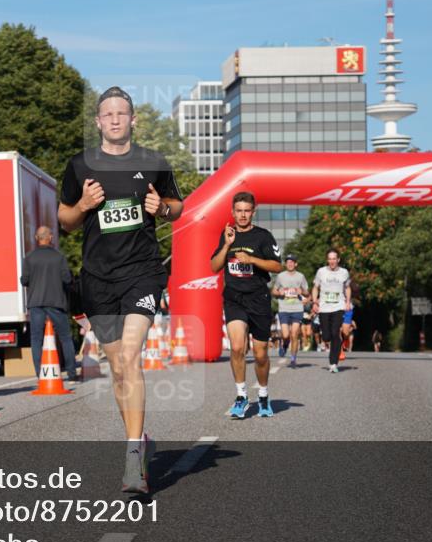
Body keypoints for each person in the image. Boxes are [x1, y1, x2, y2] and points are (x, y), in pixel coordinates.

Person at [58, 86, 183, 494]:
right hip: (97, 279)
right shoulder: (80, 166)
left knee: (131, 357)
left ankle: (133, 460)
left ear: (132, 120)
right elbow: (65, 221)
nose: (114, 119)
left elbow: (176, 205)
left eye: (121, 113)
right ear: (97, 122)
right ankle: (139, 438)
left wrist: (161, 209)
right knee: (117, 369)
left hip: (142, 273)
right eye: (107, 114)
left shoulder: (153, 162)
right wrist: (83, 206)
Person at [210, 192, 283, 418]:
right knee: (238, 347)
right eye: (238, 211)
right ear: (233, 212)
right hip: (234, 298)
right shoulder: (228, 235)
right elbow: (214, 266)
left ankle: (263, 395)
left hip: (258, 299)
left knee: (261, 354)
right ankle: (241, 396)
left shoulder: (263, 237)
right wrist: (226, 246)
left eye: (246, 211)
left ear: (253, 212)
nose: (242, 215)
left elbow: (277, 266)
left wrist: (252, 260)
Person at [21, 226, 78, 382]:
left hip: (36, 303)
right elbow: (67, 279)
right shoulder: (59, 257)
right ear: (50, 237)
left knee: (36, 339)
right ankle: (72, 374)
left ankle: (41, 374)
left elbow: (24, 280)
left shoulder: (29, 257)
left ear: (36, 237)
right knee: (65, 337)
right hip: (56, 302)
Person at [311, 249, 351, 373]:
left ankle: (333, 363)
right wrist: (314, 302)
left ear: (338, 260)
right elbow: (315, 287)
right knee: (327, 336)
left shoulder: (344, 272)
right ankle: (328, 342)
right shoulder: (321, 272)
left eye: (334, 258)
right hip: (324, 307)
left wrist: (348, 301)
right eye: (330, 259)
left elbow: (347, 287)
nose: (332, 261)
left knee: (335, 333)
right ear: (327, 260)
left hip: (338, 306)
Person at [272, 254, 310, 368]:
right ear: (285, 264)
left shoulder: (301, 276)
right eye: (288, 261)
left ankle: (293, 359)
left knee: (294, 335)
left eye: (292, 261)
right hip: (283, 309)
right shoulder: (280, 276)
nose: (290, 263)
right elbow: (273, 291)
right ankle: (284, 345)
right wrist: (279, 293)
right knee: (285, 335)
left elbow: (307, 293)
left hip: (297, 309)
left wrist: (301, 291)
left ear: (295, 264)